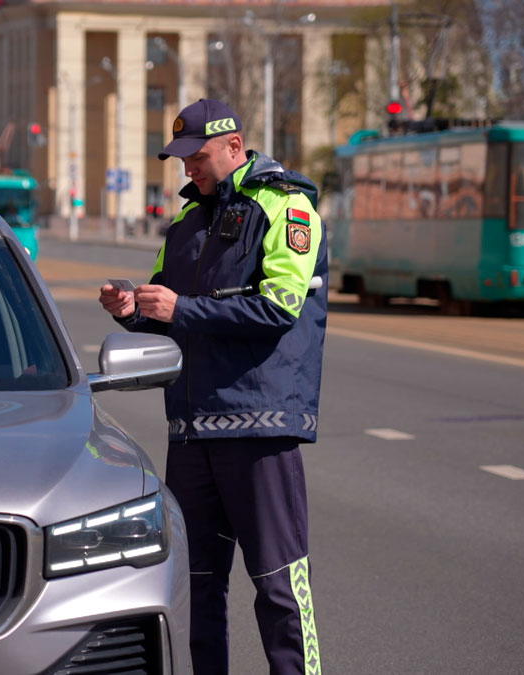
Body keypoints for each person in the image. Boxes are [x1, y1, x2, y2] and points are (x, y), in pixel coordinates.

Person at [98, 99, 327, 675]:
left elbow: (279, 307)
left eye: (196, 157)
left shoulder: (285, 205)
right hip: (191, 428)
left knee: (278, 586)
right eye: (180, 159)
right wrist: (132, 309)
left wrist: (183, 309)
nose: (187, 170)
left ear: (234, 145)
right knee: (196, 589)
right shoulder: (185, 221)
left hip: (260, 423)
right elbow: (165, 306)